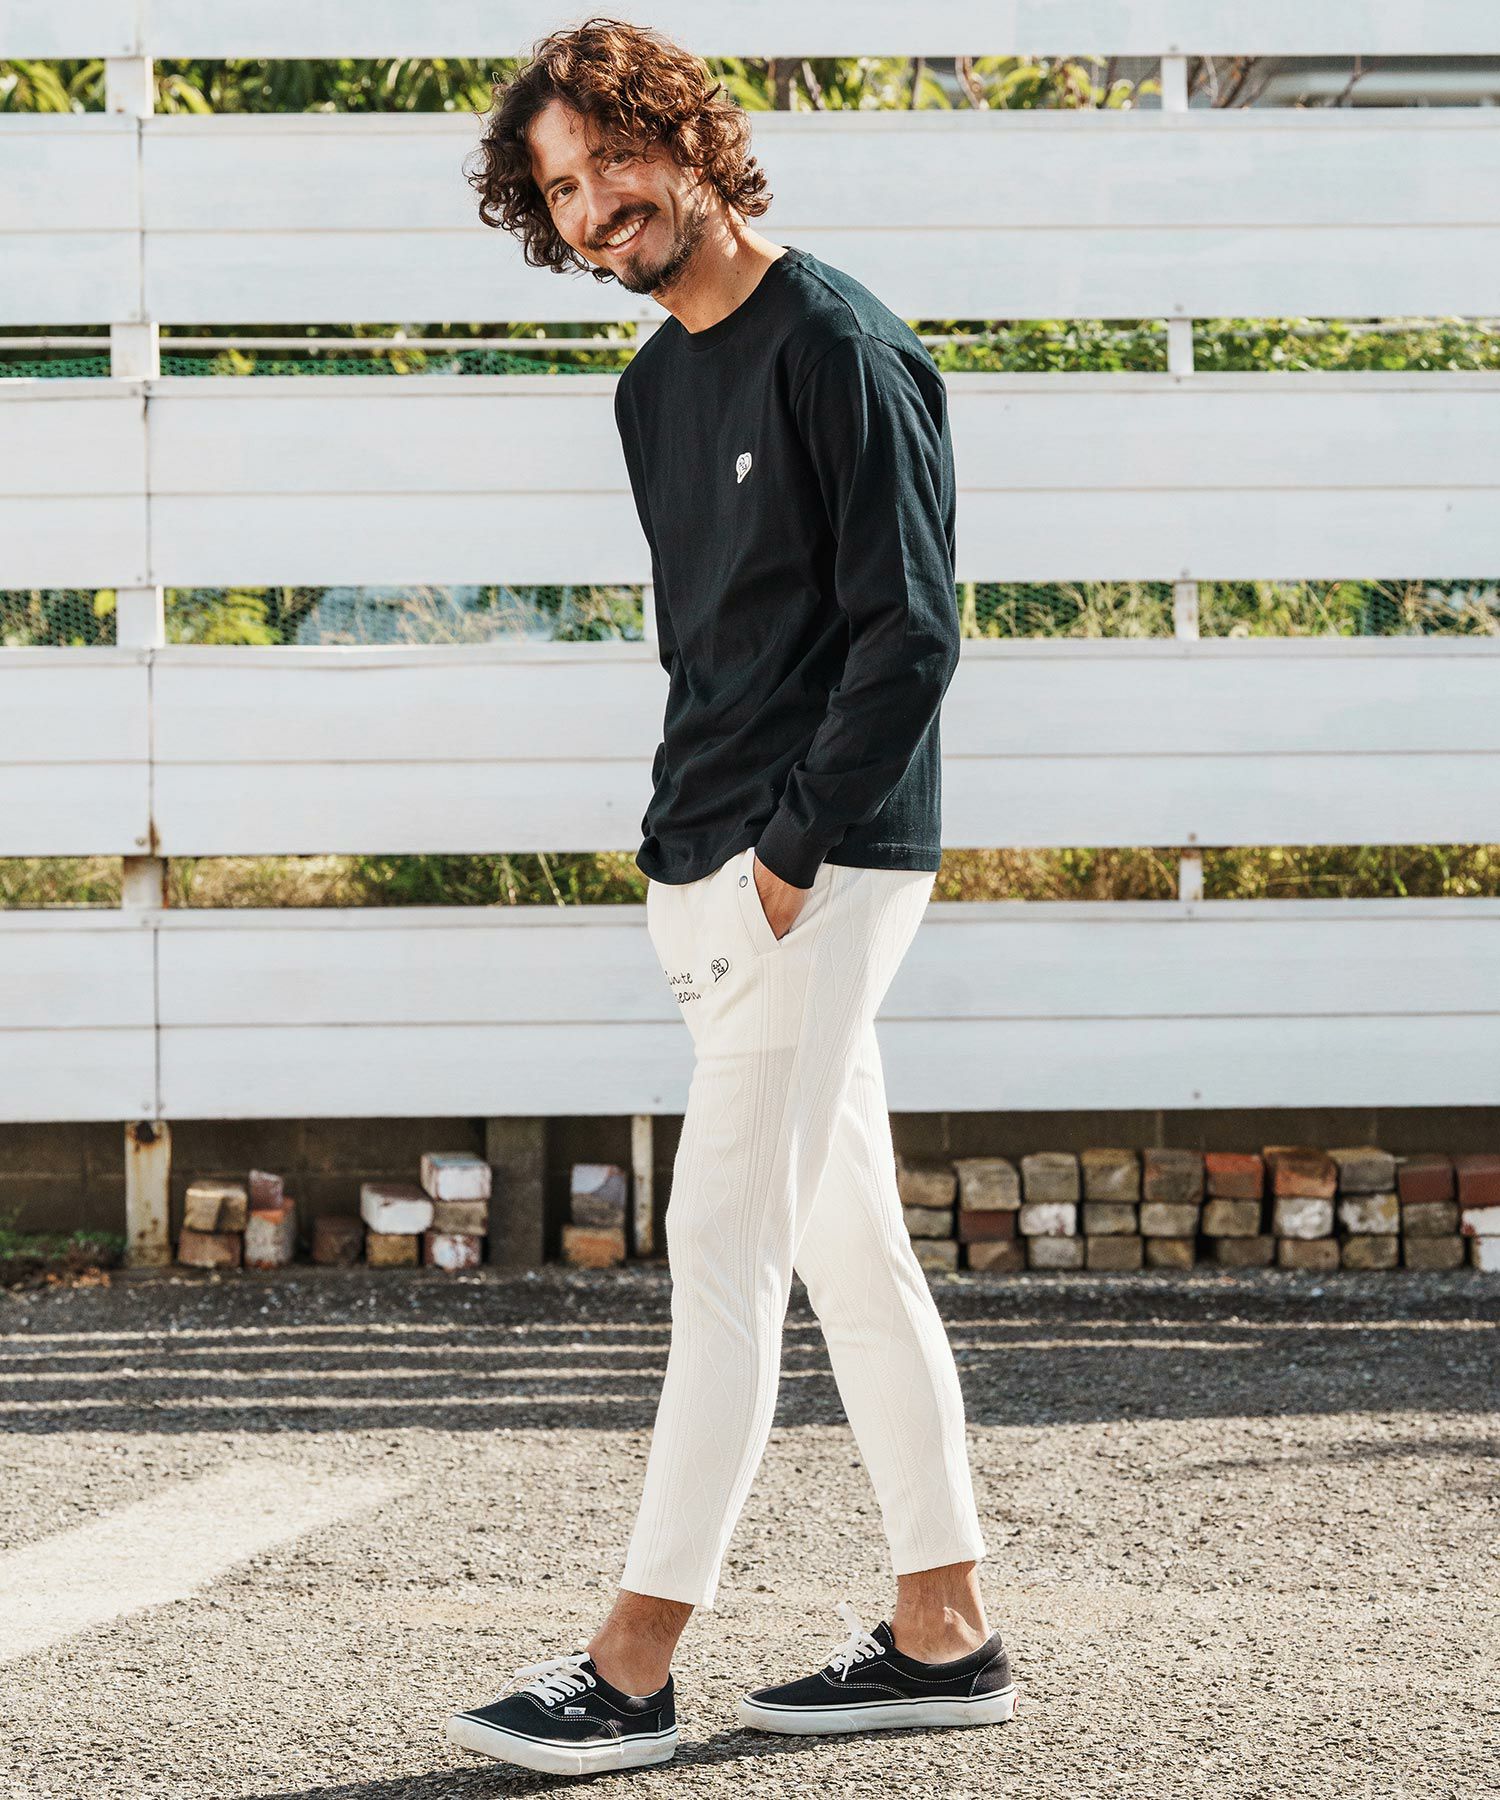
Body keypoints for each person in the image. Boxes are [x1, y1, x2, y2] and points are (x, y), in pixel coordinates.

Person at [446, 17, 1014, 1777]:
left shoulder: (840, 347)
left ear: (685, 139)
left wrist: (786, 853)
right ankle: (945, 1629)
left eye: (612, 158)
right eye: (560, 191)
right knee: (848, 1247)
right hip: (708, 865)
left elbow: (912, 633)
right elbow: (710, 650)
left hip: (820, 865)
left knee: (720, 1248)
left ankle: (632, 1666)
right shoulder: (651, 391)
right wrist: (684, 855)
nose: (594, 208)